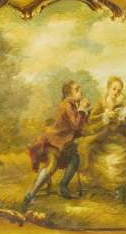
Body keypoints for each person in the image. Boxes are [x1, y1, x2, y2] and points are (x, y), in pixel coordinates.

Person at [21, 80, 90, 211]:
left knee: (75, 159)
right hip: (54, 142)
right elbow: (75, 126)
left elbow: (80, 128)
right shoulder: (67, 105)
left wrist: (85, 112)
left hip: (63, 144)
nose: (80, 91)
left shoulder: (73, 106)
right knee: (51, 165)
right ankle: (31, 194)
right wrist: (82, 110)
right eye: (77, 89)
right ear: (69, 94)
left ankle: (63, 185)